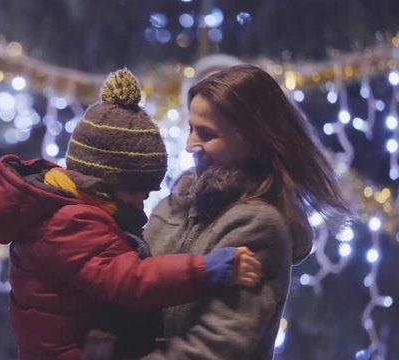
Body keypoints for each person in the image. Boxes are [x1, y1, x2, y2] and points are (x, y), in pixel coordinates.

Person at [0, 68, 263, 360]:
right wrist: (206, 270)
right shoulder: (70, 222)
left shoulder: (63, 207)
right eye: (139, 195)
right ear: (107, 185)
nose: (141, 209)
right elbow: (131, 280)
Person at [143, 64, 353, 360]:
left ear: (253, 138)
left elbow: (215, 346)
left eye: (207, 133)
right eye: (192, 128)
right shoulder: (176, 203)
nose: (191, 145)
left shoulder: (258, 225)